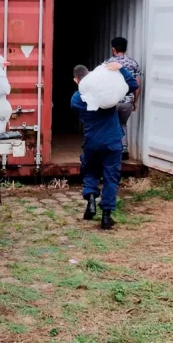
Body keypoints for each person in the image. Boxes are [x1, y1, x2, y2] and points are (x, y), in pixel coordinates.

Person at [71, 63, 139, 230]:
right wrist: (120, 69)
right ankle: (106, 217)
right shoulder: (108, 94)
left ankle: (91, 200)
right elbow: (133, 85)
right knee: (111, 177)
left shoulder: (77, 98)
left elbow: (75, 105)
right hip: (112, 142)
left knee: (90, 170)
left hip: (92, 142)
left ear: (76, 80)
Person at [105, 37, 142, 160]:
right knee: (122, 123)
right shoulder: (133, 64)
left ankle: (112, 149)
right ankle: (124, 148)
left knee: (111, 124)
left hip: (113, 101)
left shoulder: (108, 63)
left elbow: (102, 83)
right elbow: (137, 84)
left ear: (113, 49)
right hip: (127, 102)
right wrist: (135, 101)